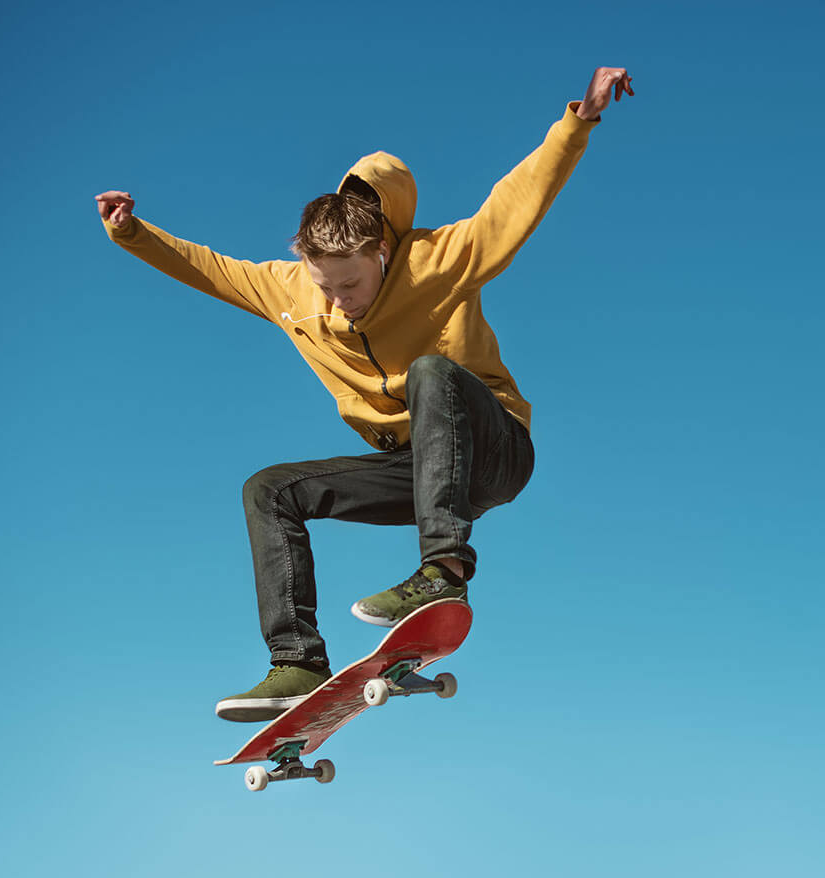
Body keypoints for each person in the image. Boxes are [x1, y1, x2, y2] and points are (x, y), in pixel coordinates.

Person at [95, 67, 634, 722]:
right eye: (324, 285)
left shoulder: (439, 261)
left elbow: (516, 204)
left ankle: (441, 574)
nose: (336, 303)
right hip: (412, 470)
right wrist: (131, 232)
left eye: (349, 286)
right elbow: (209, 268)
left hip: (492, 450)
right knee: (268, 488)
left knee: (433, 372)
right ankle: (295, 661)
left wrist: (579, 121)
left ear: (381, 251)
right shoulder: (292, 290)